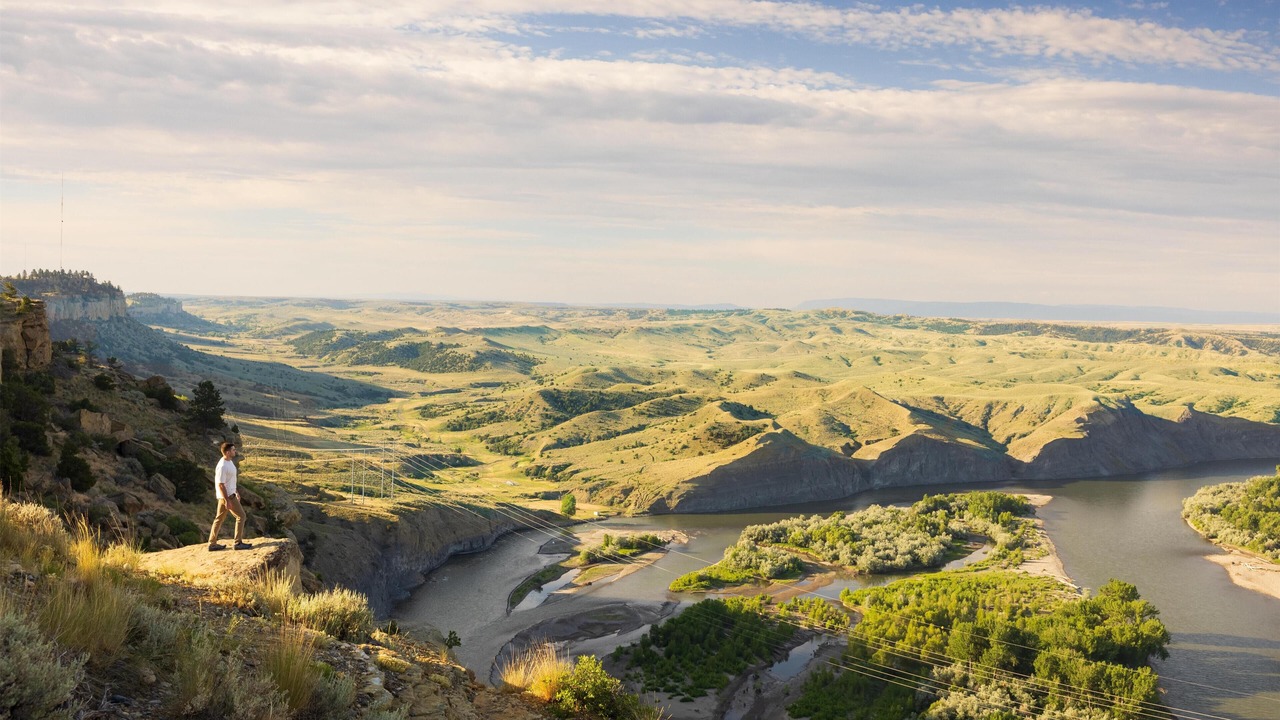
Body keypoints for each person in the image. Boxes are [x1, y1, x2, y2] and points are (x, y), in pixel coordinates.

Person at [208, 441, 251, 551]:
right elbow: (221, 484)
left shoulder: (229, 462)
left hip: (229, 495)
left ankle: (212, 543)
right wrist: (227, 500)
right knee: (241, 516)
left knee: (219, 519)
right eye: (233, 450)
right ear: (227, 452)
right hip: (227, 496)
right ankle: (237, 543)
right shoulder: (223, 466)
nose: (235, 451)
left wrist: (236, 491)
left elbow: (229, 481)